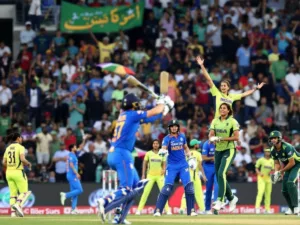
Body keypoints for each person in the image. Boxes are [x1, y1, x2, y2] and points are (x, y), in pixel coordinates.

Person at [97, 93, 174, 224]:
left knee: (136, 188)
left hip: (115, 153)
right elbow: (154, 110)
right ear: (133, 105)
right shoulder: (132, 115)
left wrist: (165, 109)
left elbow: (152, 117)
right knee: (126, 188)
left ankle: (119, 219)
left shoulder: (124, 115)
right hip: (122, 154)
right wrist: (162, 102)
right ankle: (104, 201)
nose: (139, 106)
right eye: (137, 104)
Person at [196, 56, 265, 118]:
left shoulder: (232, 96)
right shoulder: (217, 93)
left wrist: (256, 88)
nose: (222, 87)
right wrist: (202, 65)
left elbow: (245, 94)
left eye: (224, 86)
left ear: (228, 88)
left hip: (229, 122)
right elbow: (209, 79)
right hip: (218, 122)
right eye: (221, 86)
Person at [154, 119, 197, 216]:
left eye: (175, 126)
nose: (174, 127)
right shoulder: (167, 138)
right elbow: (164, 148)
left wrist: (190, 158)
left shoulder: (182, 136)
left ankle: (192, 211)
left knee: (189, 187)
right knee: (167, 188)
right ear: (169, 128)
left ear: (178, 127)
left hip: (183, 165)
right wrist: (163, 151)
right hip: (172, 166)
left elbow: (186, 148)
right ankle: (157, 211)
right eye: (172, 126)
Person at [208, 103, 239, 212]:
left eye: (224, 108)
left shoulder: (232, 121)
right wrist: (212, 139)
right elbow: (211, 134)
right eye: (221, 108)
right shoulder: (215, 121)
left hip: (229, 150)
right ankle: (232, 198)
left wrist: (221, 138)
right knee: (219, 176)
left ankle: (220, 200)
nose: (222, 109)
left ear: (229, 110)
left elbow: (236, 137)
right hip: (218, 151)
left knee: (221, 174)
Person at [135, 139, 171, 215]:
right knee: (145, 193)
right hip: (150, 176)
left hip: (160, 176)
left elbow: (164, 163)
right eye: (154, 143)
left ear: (159, 145)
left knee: (164, 193)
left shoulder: (162, 153)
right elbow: (144, 164)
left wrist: (164, 169)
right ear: (152, 145)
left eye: (157, 143)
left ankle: (167, 210)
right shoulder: (148, 153)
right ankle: (139, 210)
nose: (155, 145)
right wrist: (143, 174)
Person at [269, 130, 300, 215]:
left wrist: (281, 172)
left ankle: (296, 207)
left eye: (274, 138)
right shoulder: (272, 150)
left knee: (290, 182)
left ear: (279, 138)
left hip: (297, 164)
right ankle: (291, 208)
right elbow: (276, 163)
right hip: (287, 167)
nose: (273, 140)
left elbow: (292, 163)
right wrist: (276, 172)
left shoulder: (287, 147)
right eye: (271, 139)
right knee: (284, 190)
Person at [2, 132, 32, 217]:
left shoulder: (8, 148)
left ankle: (12, 213)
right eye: (21, 138)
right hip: (18, 172)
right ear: (18, 138)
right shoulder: (20, 147)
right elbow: (22, 159)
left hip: (9, 172)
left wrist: (11, 166)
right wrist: (28, 163)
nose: (22, 139)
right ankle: (18, 204)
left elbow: (3, 162)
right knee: (24, 192)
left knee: (13, 194)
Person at [179, 139, 207, 214]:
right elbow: (200, 166)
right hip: (195, 175)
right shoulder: (198, 154)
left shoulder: (185, 154)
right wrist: (204, 176)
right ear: (195, 145)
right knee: (198, 193)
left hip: (186, 175)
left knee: (186, 192)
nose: (198, 145)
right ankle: (202, 209)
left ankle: (182, 208)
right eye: (197, 144)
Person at [60, 144, 83, 214]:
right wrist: (76, 173)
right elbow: (71, 165)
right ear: (72, 148)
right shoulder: (71, 155)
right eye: (75, 147)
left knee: (75, 193)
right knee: (80, 190)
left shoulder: (72, 154)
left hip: (71, 175)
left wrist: (84, 139)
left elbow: (80, 147)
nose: (76, 148)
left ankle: (73, 209)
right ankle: (65, 195)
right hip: (72, 175)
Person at [255, 148, 274, 214]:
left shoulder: (272, 161)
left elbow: (273, 169)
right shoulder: (261, 160)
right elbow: (256, 168)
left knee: (268, 194)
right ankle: (257, 208)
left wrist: (271, 172)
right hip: (261, 178)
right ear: (264, 152)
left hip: (268, 178)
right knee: (260, 192)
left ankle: (267, 209)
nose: (267, 153)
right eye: (266, 152)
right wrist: (259, 173)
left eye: (268, 152)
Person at [202, 140, 218, 214]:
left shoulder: (220, 142)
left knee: (217, 185)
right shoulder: (206, 144)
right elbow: (204, 158)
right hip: (208, 167)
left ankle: (215, 206)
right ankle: (207, 208)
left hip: (217, 166)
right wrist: (212, 158)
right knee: (209, 188)